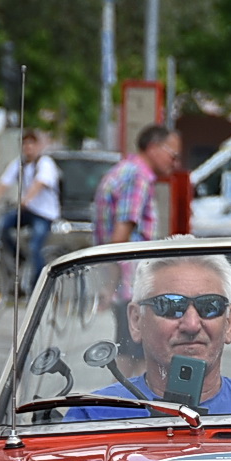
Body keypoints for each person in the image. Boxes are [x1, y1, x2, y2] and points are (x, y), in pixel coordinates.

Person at [63, 253, 231, 421]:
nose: (192, 325)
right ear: (135, 321)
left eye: (210, 306)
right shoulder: (91, 416)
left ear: (229, 323)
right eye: (170, 306)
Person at [93, 125, 181, 368]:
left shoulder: (125, 171)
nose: (174, 162)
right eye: (172, 154)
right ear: (153, 148)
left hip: (125, 283)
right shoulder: (138, 177)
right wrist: (111, 285)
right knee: (134, 358)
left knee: (130, 351)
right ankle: (127, 405)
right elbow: (120, 237)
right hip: (130, 285)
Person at [0, 130, 59, 287]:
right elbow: (3, 184)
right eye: (25, 144)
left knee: (35, 246)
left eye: (31, 143)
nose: (28, 147)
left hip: (44, 214)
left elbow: (39, 184)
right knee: (3, 226)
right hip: (27, 211)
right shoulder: (18, 164)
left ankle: (39, 285)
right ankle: (20, 259)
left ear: (38, 146)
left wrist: (26, 199)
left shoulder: (45, 163)